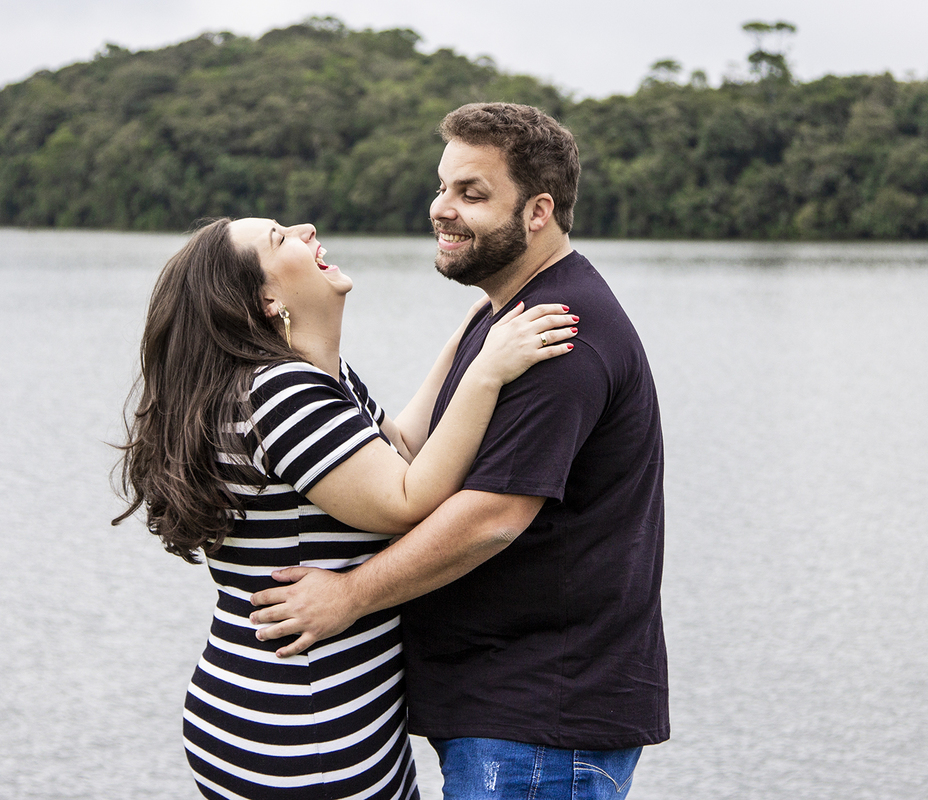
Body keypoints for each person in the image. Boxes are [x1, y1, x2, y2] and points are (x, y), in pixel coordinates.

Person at [248, 103, 669, 800]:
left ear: (538, 212)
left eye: (471, 194)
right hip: (506, 709)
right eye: (442, 186)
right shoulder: (506, 316)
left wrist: (349, 595)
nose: (442, 208)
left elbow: (493, 517)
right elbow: (410, 451)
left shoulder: (559, 332)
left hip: (540, 722)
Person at [112, 215, 578, 800]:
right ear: (267, 300)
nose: (305, 228)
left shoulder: (313, 380)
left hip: (281, 708)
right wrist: (486, 373)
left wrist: (473, 334)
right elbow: (407, 499)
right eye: (280, 238)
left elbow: (401, 448)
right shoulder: (281, 392)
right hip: (304, 726)